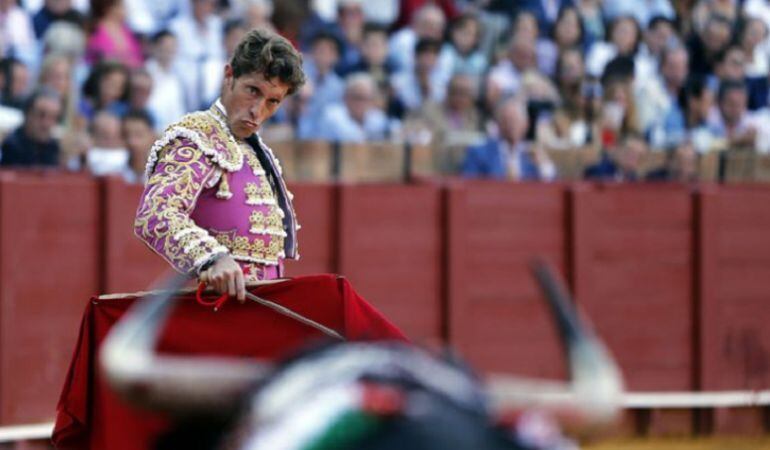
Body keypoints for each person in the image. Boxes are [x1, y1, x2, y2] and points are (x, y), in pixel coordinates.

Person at [134, 28, 305, 302]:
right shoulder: (197, 138)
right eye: (252, 91)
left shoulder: (259, 152)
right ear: (229, 76)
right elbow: (156, 213)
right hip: (212, 307)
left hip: (261, 309)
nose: (257, 111)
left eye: (273, 101)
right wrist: (211, 258)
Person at [462, 97, 556, 181]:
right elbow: (468, 184)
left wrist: (544, 166)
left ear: (526, 124)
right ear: (498, 123)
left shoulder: (534, 154)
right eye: (507, 120)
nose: (511, 125)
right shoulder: (478, 153)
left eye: (516, 120)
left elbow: (552, 188)